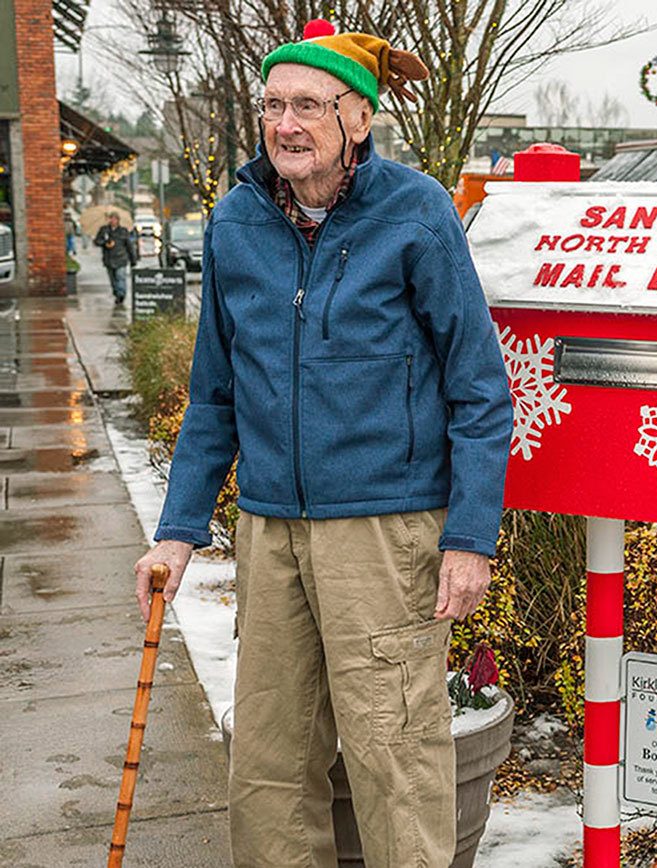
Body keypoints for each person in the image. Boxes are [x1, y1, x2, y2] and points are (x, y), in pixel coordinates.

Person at [131, 19, 512, 868]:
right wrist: (179, 529)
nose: (286, 123)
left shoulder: (416, 213)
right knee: (268, 762)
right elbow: (214, 396)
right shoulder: (235, 223)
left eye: (308, 104)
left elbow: (480, 389)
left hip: (386, 530)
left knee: (393, 757)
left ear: (359, 118)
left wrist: (469, 537)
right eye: (273, 104)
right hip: (271, 530)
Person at [93, 212, 136, 304]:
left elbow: (129, 246)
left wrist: (133, 259)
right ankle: (116, 293)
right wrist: (104, 242)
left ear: (118, 220)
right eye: (111, 218)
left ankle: (121, 294)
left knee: (120, 277)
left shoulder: (123, 231)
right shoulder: (104, 230)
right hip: (109, 259)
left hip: (121, 258)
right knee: (113, 279)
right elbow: (96, 241)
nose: (113, 221)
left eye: (115, 219)